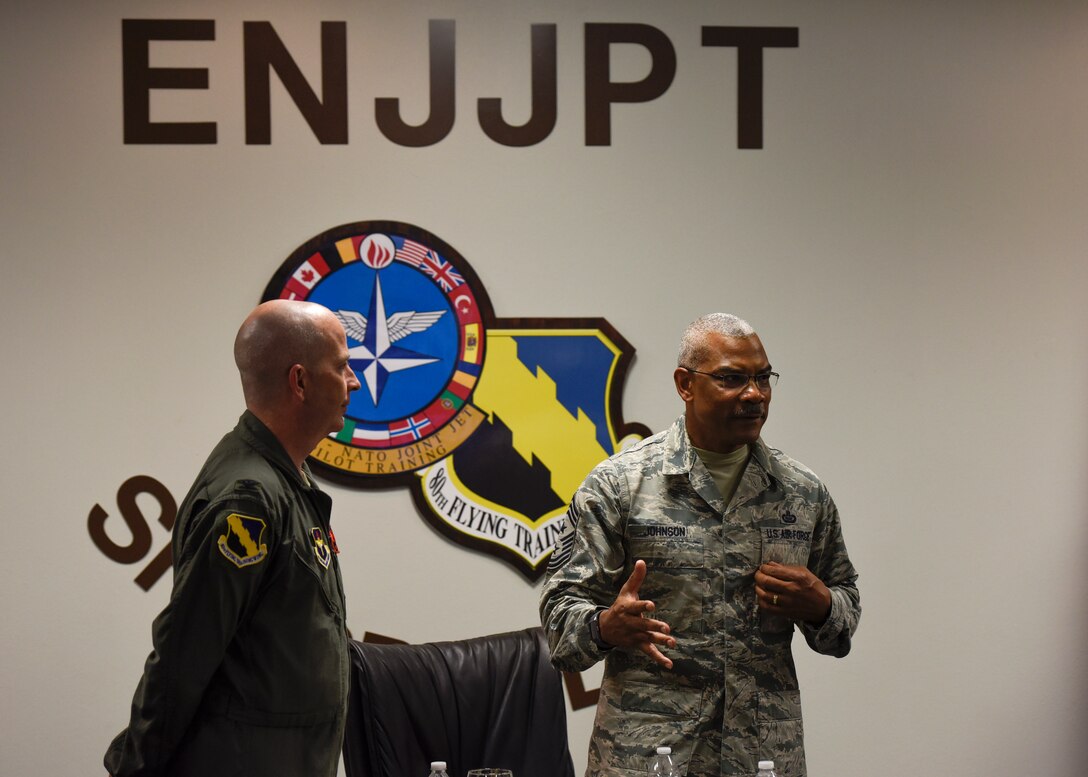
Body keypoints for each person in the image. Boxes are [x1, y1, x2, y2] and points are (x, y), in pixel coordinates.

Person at [540, 313, 861, 777]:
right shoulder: (619, 486)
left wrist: (823, 606)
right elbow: (559, 620)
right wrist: (605, 627)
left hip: (763, 756)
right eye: (732, 378)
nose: (754, 394)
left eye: (763, 378)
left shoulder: (801, 491)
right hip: (650, 756)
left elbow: (845, 605)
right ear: (685, 384)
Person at [104, 300, 362, 777]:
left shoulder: (284, 479)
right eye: (342, 366)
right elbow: (183, 656)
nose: (354, 382)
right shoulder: (249, 498)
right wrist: (134, 769)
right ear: (300, 382)